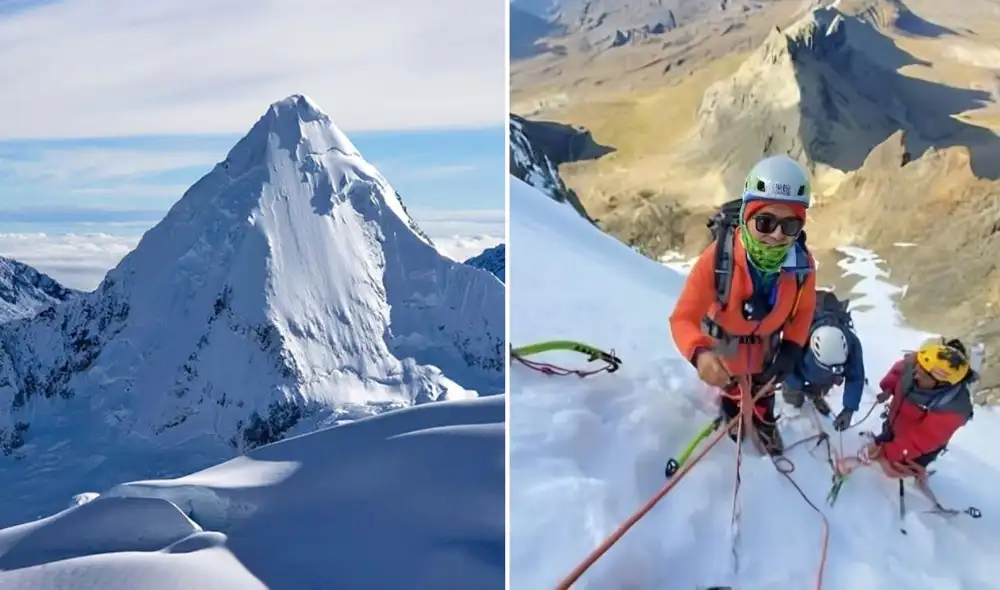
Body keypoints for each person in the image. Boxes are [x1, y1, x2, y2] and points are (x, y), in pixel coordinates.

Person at [669, 155, 818, 456]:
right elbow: (683, 318)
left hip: (768, 347)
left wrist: (791, 347)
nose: (777, 235)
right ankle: (733, 411)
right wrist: (700, 354)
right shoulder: (717, 260)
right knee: (732, 387)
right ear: (746, 218)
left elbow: (803, 311)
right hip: (725, 347)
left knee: (764, 390)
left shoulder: (803, 265)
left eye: (789, 224)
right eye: (765, 222)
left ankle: (763, 420)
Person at [861, 338, 976, 477]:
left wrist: (886, 452)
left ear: (941, 382)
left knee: (892, 470)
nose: (915, 374)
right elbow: (901, 370)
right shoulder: (922, 364)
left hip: (918, 449)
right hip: (894, 423)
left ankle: (912, 472)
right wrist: (889, 387)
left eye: (921, 375)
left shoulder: (953, 408)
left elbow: (922, 440)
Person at [781, 290, 866, 431]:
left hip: (820, 375)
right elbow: (787, 368)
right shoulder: (798, 337)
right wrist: (798, 386)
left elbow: (856, 377)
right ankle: (795, 401)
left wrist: (849, 409)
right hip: (803, 368)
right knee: (792, 393)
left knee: (825, 382)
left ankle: (816, 395)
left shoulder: (852, 344)